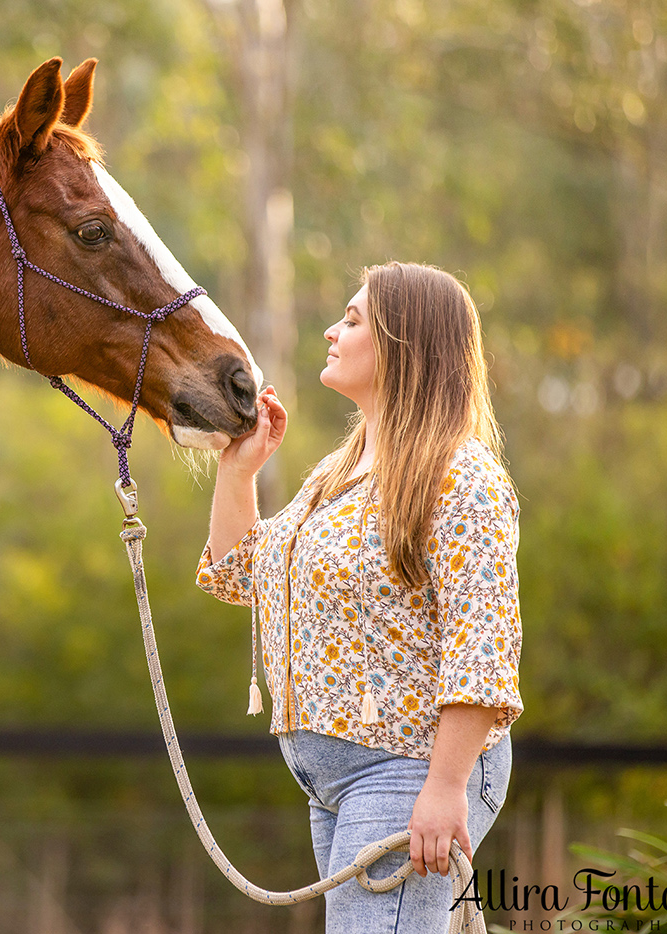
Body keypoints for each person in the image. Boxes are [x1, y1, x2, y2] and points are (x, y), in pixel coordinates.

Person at [196, 261, 522, 932]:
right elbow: (240, 576)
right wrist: (239, 470)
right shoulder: (335, 474)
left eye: (351, 320)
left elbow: (480, 646)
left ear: (404, 341)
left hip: (408, 770)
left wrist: (443, 788)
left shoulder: (462, 477)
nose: (330, 331)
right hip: (333, 781)